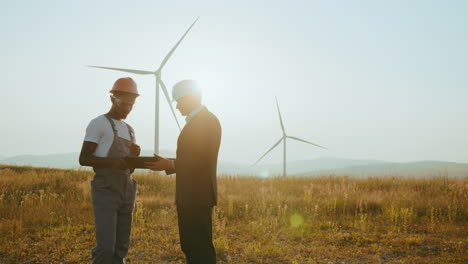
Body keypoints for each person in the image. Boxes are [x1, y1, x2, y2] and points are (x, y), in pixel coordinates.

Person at [146, 79, 222, 264]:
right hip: (192, 196)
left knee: (199, 249)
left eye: (179, 101)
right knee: (191, 246)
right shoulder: (201, 120)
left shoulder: (206, 121)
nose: (177, 106)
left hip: (197, 196)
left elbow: (202, 160)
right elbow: (194, 157)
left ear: (190, 98)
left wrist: (170, 165)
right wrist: (168, 162)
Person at [79, 77, 141, 264]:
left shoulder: (129, 130)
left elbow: (129, 170)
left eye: (132, 104)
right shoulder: (99, 123)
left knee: (121, 248)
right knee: (106, 248)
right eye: (125, 103)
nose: (128, 108)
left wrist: (134, 158)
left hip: (126, 189)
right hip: (106, 189)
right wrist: (114, 162)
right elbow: (84, 158)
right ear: (113, 98)